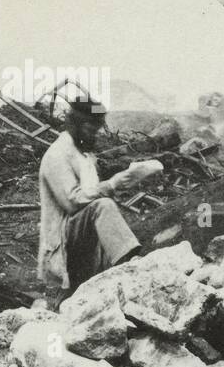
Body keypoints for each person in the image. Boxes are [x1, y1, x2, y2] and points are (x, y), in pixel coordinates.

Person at [37, 95, 145, 303]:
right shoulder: (58, 155)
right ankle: (130, 264)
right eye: (90, 130)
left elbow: (88, 194)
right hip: (63, 239)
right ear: (76, 124)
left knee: (80, 298)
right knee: (103, 206)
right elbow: (72, 202)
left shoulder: (81, 155)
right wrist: (111, 185)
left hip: (80, 235)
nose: (94, 136)